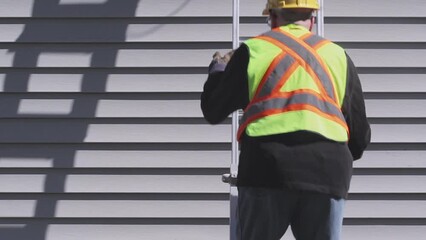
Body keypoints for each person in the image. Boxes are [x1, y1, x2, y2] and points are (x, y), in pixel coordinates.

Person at [201, 0, 371, 239]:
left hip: (266, 167)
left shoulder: (254, 50)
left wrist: (218, 69)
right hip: (327, 170)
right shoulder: (337, 56)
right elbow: (360, 137)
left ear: (272, 17)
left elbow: (213, 109)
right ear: (312, 19)